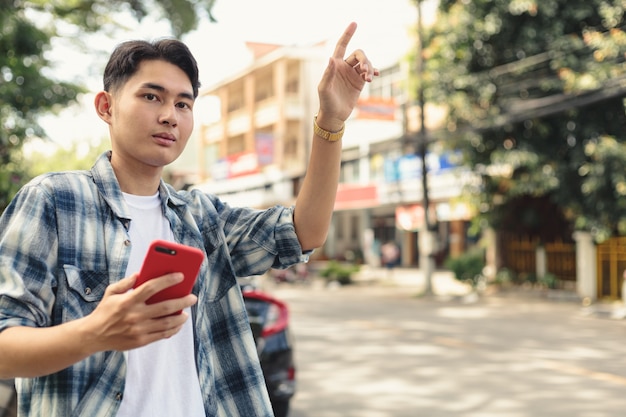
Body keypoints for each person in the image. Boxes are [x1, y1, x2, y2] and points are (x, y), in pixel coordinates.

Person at [0, 22, 378, 417]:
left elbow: (303, 232)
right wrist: (94, 333)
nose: (170, 116)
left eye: (183, 104)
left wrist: (330, 121)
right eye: (151, 96)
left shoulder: (202, 217)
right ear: (106, 107)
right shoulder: (54, 201)